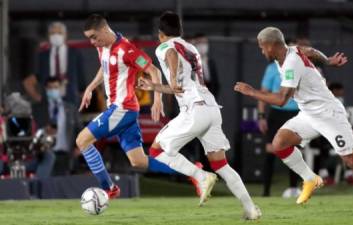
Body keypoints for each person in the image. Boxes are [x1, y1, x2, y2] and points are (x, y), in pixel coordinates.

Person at [234, 26, 353, 215]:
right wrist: (328, 60)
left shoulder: (290, 64)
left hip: (329, 114)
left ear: (271, 45)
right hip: (309, 114)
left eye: (262, 47)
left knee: (352, 160)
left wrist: (252, 92)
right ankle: (311, 179)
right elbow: (311, 51)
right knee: (280, 143)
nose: (261, 50)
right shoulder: (292, 50)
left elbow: (281, 100)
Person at [137, 11, 261, 220]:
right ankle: (250, 209)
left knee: (156, 151)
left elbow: (172, 57)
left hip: (194, 110)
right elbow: (181, 87)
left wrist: (173, 76)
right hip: (211, 108)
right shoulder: (191, 47)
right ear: (181, 31)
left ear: (160, 34)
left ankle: (200, 176)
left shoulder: (165, 47)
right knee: (221, 164)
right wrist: (155, 86)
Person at [76, 14, 213, 200]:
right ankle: (195, 172)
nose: (92, 42)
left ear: (103, 30)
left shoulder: (127, 50)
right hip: (122, 110)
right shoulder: (103, 47)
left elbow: (153, 70)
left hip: (122, 109)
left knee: (82, 141)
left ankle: (109, 188)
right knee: (139, 162)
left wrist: (158, 99)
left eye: (93, 37)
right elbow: (104, 66)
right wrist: (91, 87)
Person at [23, 22, 85, 128]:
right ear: (49, 36)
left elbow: (81, 81)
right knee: (49, 133)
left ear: (65, 35)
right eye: (53, 33)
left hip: (70, 100)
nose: (56, 35)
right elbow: (37, 76)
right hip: (48, 103)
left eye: (59, 32)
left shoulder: (74, 54)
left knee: (71, 133)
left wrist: (80, 104)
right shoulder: (43, 56)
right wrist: (39, 97)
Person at [258, 59, 300, 198]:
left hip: (295, 114)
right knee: (270, 150)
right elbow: (263, 93)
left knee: (294, 151)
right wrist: (261, 115)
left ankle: (294, 189)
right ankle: (266, 192)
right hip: (276, 114)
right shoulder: (272, 68)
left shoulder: (297, 67)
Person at [45, 77, 80, 175]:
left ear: (60, 88)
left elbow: (79, 129)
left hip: (66, 154)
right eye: (50, 88)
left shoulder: (71, 109)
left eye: (56, 87)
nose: (53, 90)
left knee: (65, 184)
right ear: (46, 89)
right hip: (47, 154)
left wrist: (79, 147)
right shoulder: (40, 109)